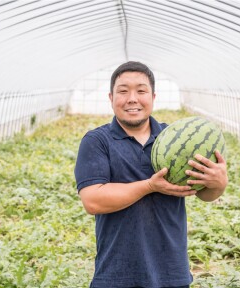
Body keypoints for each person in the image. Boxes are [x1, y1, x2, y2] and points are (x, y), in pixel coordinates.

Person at [74, 61, 228, 288]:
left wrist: (218, 183)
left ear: (153, 97)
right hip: (116, 274)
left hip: (171, 272)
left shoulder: (175, 139)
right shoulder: (97, 141)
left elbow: (203, 193)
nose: (132, 98)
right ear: (111, 98)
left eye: (141, 91)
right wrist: (149, 186)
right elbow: (93, 201)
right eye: (123, 91)